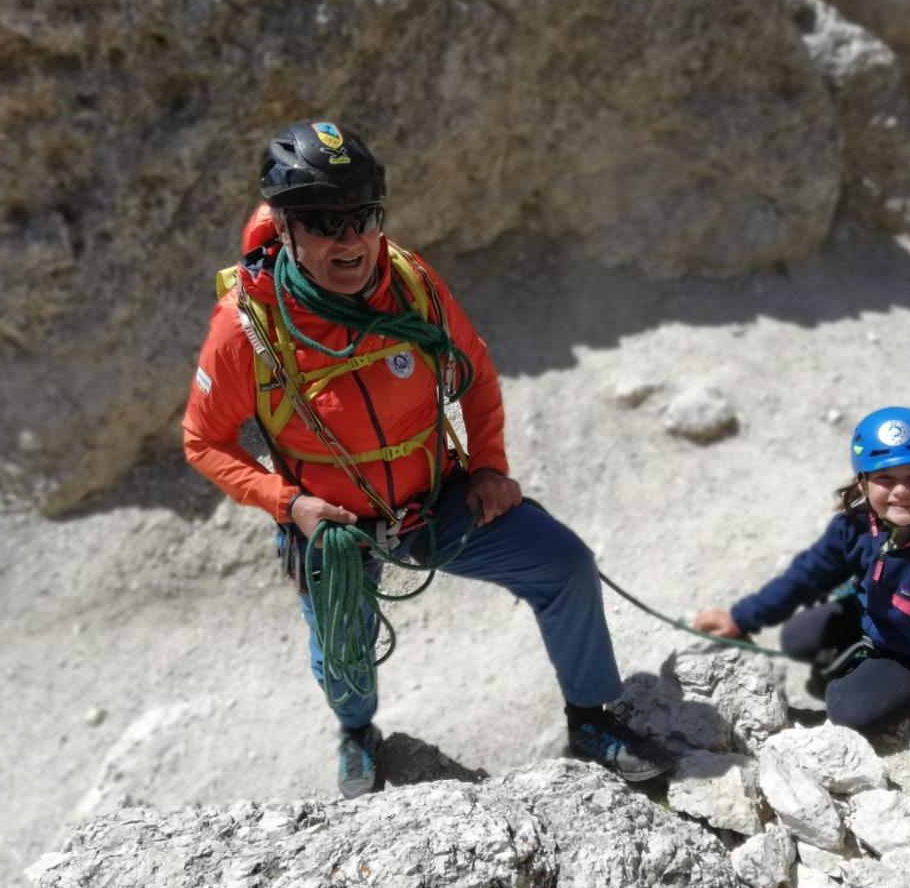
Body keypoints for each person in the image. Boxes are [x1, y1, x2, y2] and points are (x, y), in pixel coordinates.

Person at [183, 120, 672, 797]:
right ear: (288, 229)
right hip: (336, 528)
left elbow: (474, 371)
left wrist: (491, 467)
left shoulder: (409, 284)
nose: (350, 238)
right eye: (326, 221)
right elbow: (203, 441)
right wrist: (288, 505)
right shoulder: (247, 331)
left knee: (564, 565)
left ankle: (590, 720)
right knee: (343, 659)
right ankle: (357, 733)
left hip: (433, 500)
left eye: (363, 216)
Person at [694, 406, 910, 757]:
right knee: (795, 637)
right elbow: (807, 575)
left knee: (847, 711)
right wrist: (741, 618)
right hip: (875, 615)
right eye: (884, 478)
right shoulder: (857, 528)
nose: (900, 491)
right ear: (861, 482)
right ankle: (862, 654)